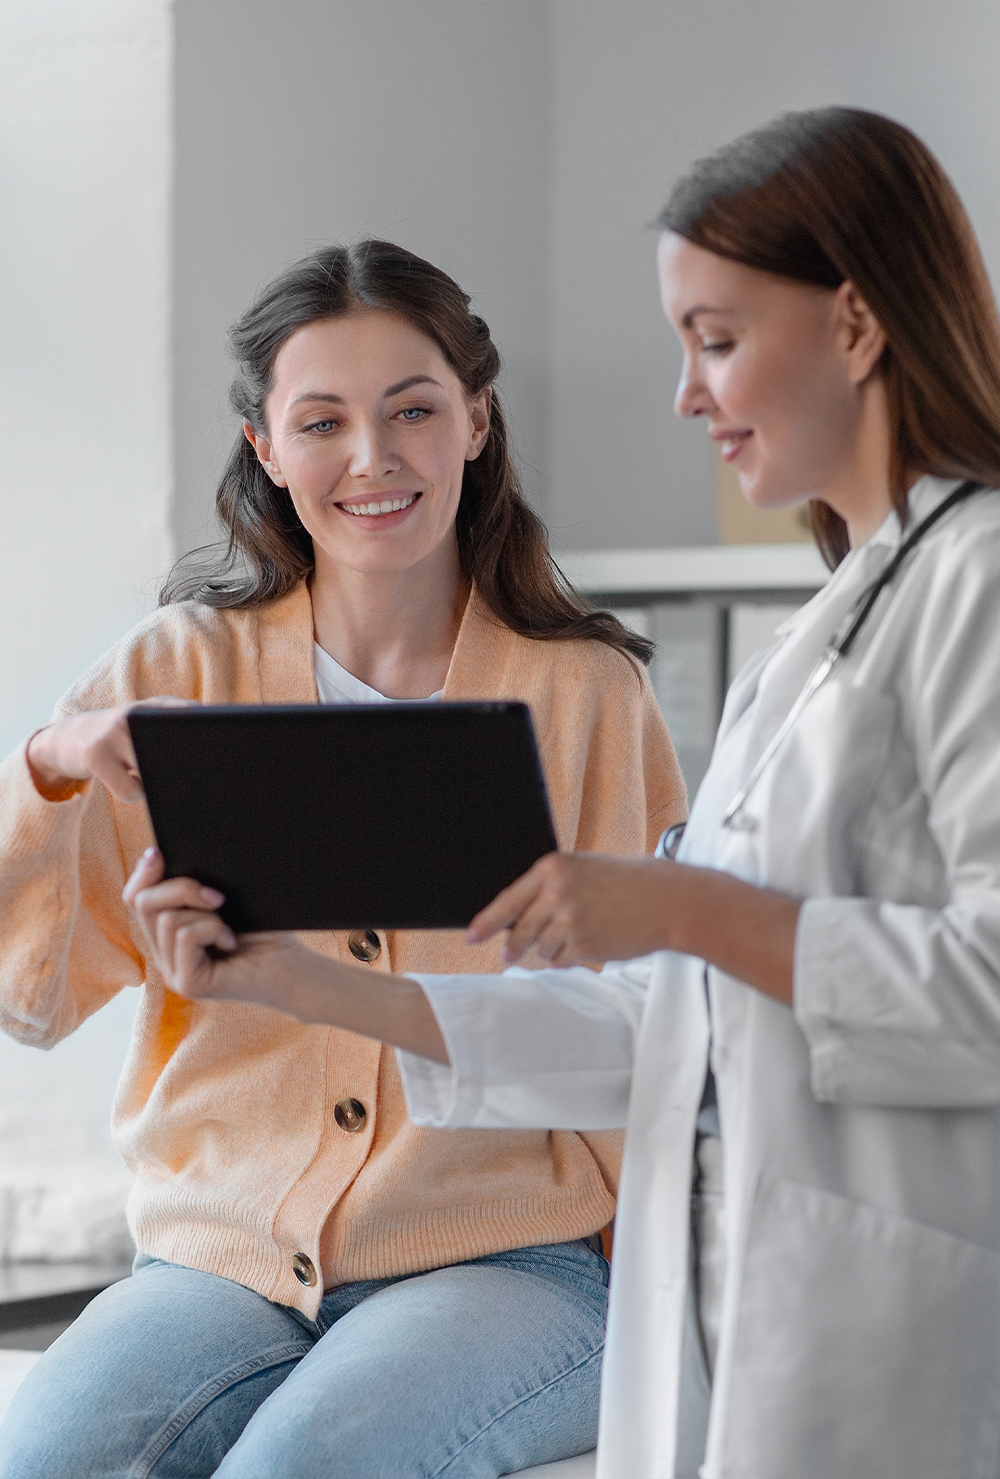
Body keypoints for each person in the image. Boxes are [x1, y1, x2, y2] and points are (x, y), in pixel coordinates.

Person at [121, 109, 1000, 1478]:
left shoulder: (979, 587)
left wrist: (684, 904)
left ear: (857, 323)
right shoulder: (826, 634)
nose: (686, 394)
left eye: (715, 338)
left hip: (892, 1306)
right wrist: (309, 983)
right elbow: (661, 1018)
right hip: (761, 1295)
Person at [0, 241, 686, 1479]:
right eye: (321, 422)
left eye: (413, 410)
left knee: (300, 1467)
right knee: (44, 1458)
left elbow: (648, 1017)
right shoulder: (175, 673)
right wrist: (49, 756)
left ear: (475, 420)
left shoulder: (586, 693)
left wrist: (664, 1302)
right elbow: (27, 989)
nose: (372, 459)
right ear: (266, 447)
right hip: (221, 1257)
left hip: (507, 1259)